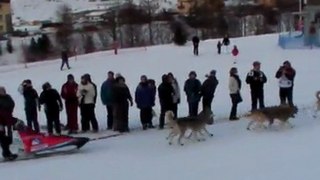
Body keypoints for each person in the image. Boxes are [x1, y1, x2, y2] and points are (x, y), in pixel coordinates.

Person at [0, 87, 18, 160]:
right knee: (3, 138)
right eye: (1, 91)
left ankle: (7, 153)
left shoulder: (8, 97)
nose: (3, 92)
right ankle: (6, 154)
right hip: (1, 122)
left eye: (3, 90)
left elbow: (12, 104)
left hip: (8, 120)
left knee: (9, 138)